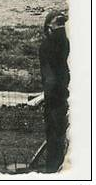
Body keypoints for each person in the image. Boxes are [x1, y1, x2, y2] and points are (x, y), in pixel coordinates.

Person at [39, 10, 69, 172]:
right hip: (67, 94)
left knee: (55, 138)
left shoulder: (47, 46)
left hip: (55, 98)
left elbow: (50, 77)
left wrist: (48, 97)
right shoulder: (68, 42)